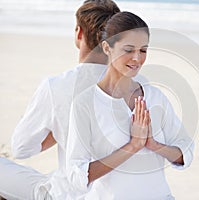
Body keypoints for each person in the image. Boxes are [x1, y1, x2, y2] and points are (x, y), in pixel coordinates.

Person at [66, 11, 194, 200]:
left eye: (143, 50)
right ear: (107, 48)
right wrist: (133, 146)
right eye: (128, 50)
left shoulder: (155, 97)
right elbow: (76, 175)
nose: (137, 58)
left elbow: (185, 151)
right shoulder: (85, 104)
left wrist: (153, 144)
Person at [0, 1, 120, 199]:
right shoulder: (137, 86)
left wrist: (58, 128)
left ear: (79, 33)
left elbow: (21, 148)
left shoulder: (56, 85)